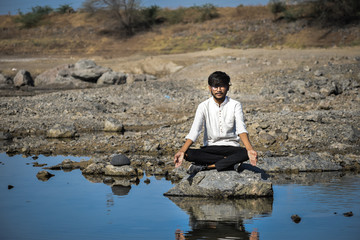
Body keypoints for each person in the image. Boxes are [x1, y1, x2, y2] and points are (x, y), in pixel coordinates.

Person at [173, 71, 258, 175]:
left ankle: (207, 167)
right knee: (187, 154)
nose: (218, 90)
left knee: (245, 153)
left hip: (231, 147)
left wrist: (250, 149)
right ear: (210, 88)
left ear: (228, 87)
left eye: (222, 86)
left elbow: (241, 129)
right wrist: (181, 151)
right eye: (215, 86)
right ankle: (230, 162)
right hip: (211, 148)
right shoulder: (203, 106)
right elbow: (195, 131)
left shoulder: (235, 105)